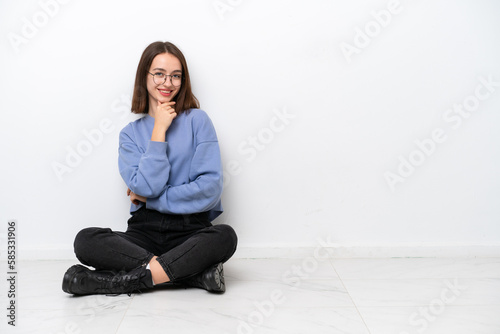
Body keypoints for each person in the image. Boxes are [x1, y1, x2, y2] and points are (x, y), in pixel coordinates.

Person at [62, 41, 237, 295]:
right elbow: (147, 186)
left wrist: (149, 200)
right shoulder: (130, 134)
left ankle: (115, 282)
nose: (167, 83)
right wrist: (159, 131)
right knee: (86, 240)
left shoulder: (198, 121)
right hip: (143, 234)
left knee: (225, 236)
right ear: (144, 76)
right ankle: (193, 275)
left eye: (176, 76)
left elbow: (209, 190)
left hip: (190, 231)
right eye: (159, 74)